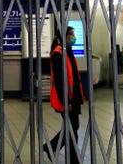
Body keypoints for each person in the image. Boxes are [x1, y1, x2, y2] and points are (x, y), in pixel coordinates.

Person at [45, 26, 84, 163]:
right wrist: (67, 101)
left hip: (74, 98)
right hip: (67, 99)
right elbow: (60, 81)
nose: (73, 36)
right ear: (64, 36)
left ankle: (51, 147)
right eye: (71, 34)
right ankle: (71, 158)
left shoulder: (67, 51)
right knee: (72, 128)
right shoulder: (58, 54)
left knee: (73, 127)